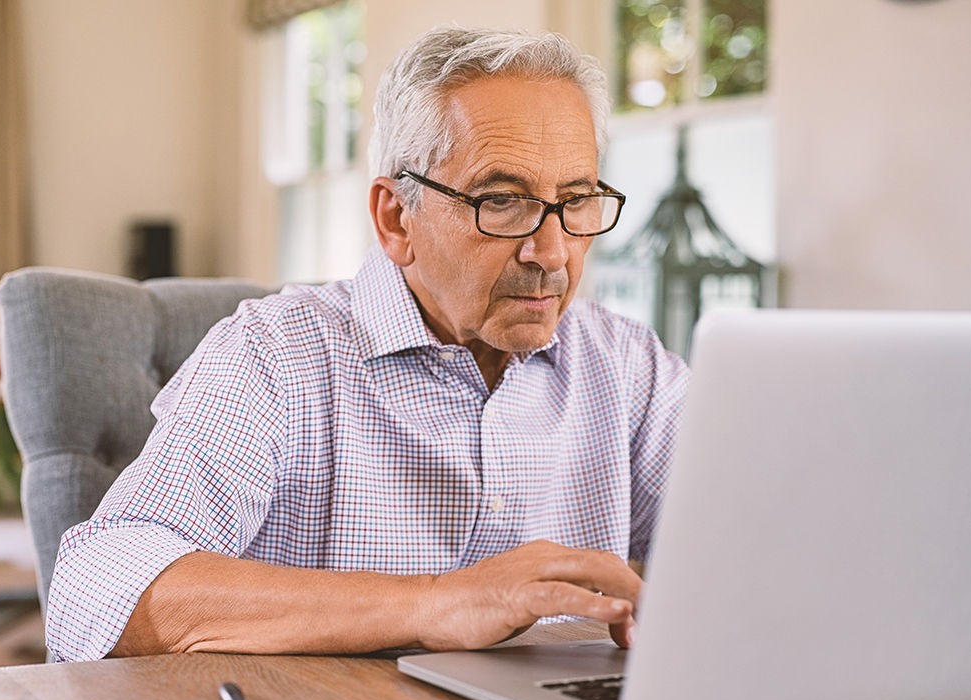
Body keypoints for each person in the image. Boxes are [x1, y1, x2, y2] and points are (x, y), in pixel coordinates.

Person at [45, 26, 689, 662]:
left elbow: (761, 554)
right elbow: (95, 595)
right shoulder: (275, 354)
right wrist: (436, 602)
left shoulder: (631, 368)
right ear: (395, 218)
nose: (552, 253)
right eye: (501, 201)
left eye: (576, 200)